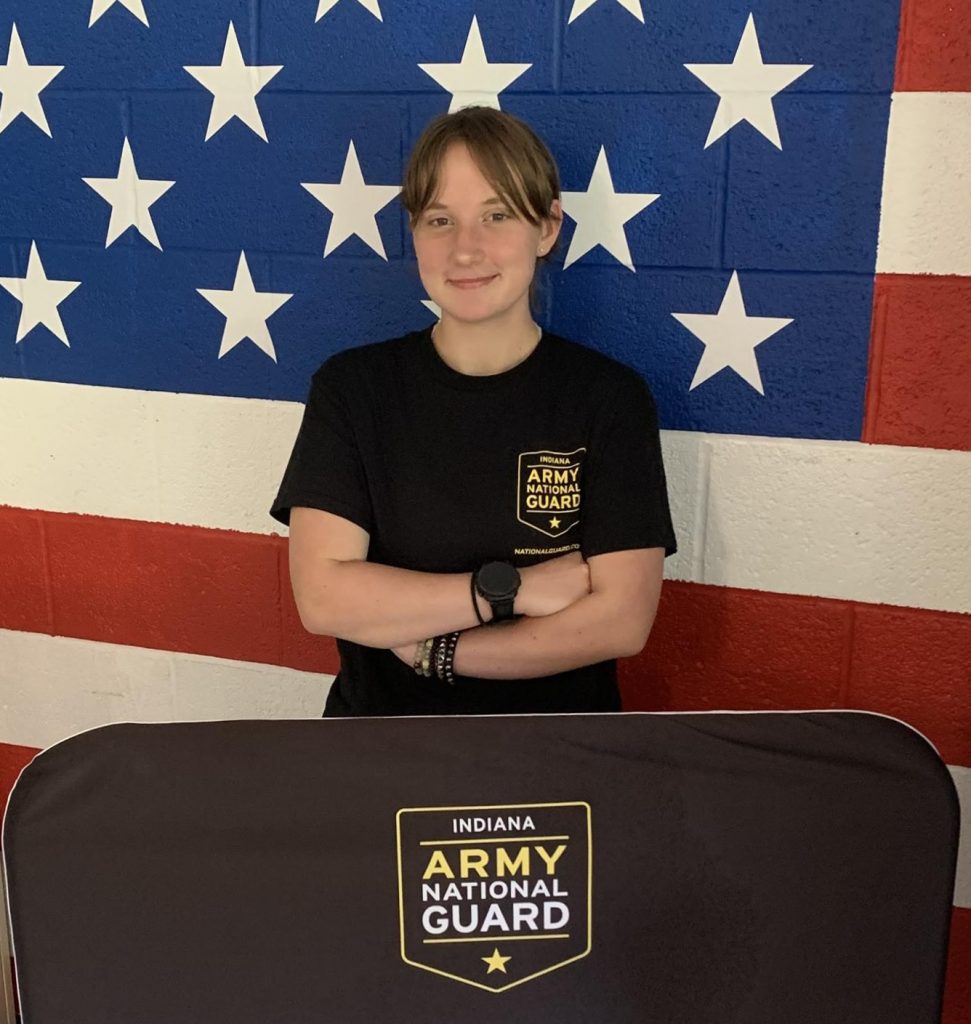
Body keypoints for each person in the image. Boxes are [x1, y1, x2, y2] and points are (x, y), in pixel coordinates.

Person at [270, 105, 677, 717]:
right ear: (414, 233)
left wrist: (438, 652)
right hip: (378, 741)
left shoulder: (609, 398)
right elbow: (324, 598)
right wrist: (512, 591)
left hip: (556, 748)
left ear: (547, 228)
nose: (466, 250)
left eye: (497, 215)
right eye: (440, 220)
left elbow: (620, 622)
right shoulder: (352, 389)